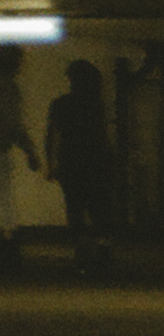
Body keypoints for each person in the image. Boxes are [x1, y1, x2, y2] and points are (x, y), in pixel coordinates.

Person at [45, 58, 115, 274]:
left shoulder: (60, 104)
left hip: (70, 161)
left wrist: (51, 162)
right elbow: (103, 135)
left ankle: (82, 253)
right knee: (98, 207)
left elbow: (52, 136)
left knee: (75, 207)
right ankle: (103, 249)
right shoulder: (96, 104)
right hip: (95, 161)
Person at [0, 47, 37, 273]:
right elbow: (13, 124)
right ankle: (7, 248)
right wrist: (30, 151)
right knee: (4, 202)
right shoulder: (8, 89)